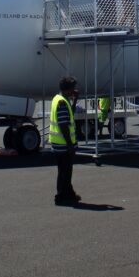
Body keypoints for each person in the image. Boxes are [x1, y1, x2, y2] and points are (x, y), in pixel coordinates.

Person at [50, 77, 81, 205]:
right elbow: (63, 125)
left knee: (65, 171)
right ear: (68, 89)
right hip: (63, 144)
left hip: (59, 143)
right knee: (65, 172)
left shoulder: (59, 99)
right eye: (72, 88)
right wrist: (70, 145)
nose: (74, 90)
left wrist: (75, 100)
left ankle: (68, 194)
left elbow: (70, 115)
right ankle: (61, 197)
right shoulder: (62, 102)